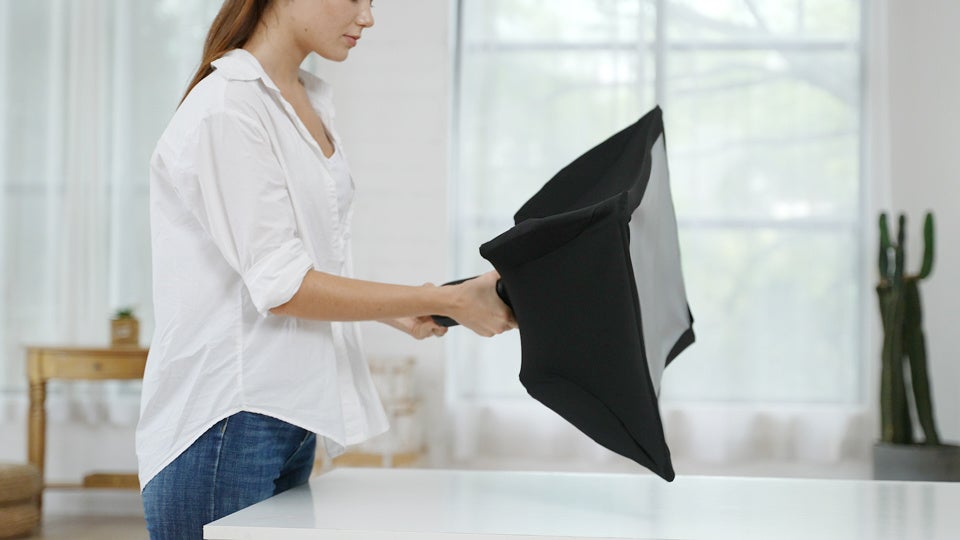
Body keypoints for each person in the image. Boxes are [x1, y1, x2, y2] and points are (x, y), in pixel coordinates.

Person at [136, 0, 516, 538]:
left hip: (290, 413)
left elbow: (302, 258)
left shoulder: (305, 100)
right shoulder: (228, 107)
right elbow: (284, 286)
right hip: (229, 421)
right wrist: (445, 300)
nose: (368, 17)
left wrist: (401, 310)